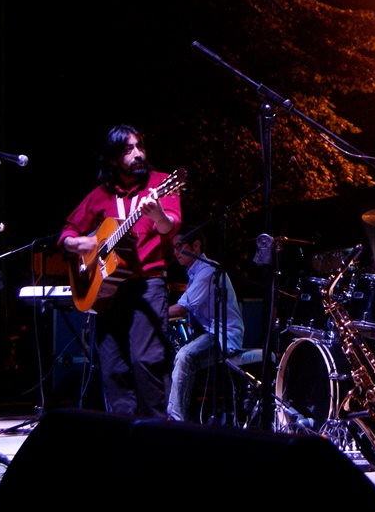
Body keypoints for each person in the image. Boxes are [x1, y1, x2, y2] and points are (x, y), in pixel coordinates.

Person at [59, 124, 182, 418]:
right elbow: (68, 231)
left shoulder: (161, 183)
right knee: (113, 366)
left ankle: (154, 431)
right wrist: (77, 243)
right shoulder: (100, 195)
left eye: (140, 147)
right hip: (108, 291)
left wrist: (158, 214)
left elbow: (170, 226)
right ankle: (124, 431)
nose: (138, 153)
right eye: (128, 150)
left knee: (145, 361)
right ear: (114, 159)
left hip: (148, 286)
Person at [166, 226, 246, 422]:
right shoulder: (194, 273)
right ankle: (187, 414)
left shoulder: (208, 271)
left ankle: (175, 419)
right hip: (210, 333)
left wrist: (152, 315)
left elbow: (182, 308)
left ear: (196, 246)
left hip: (223, 335)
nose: (176, 252)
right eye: (174, 248)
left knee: (185, 356)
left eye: (179, 246)